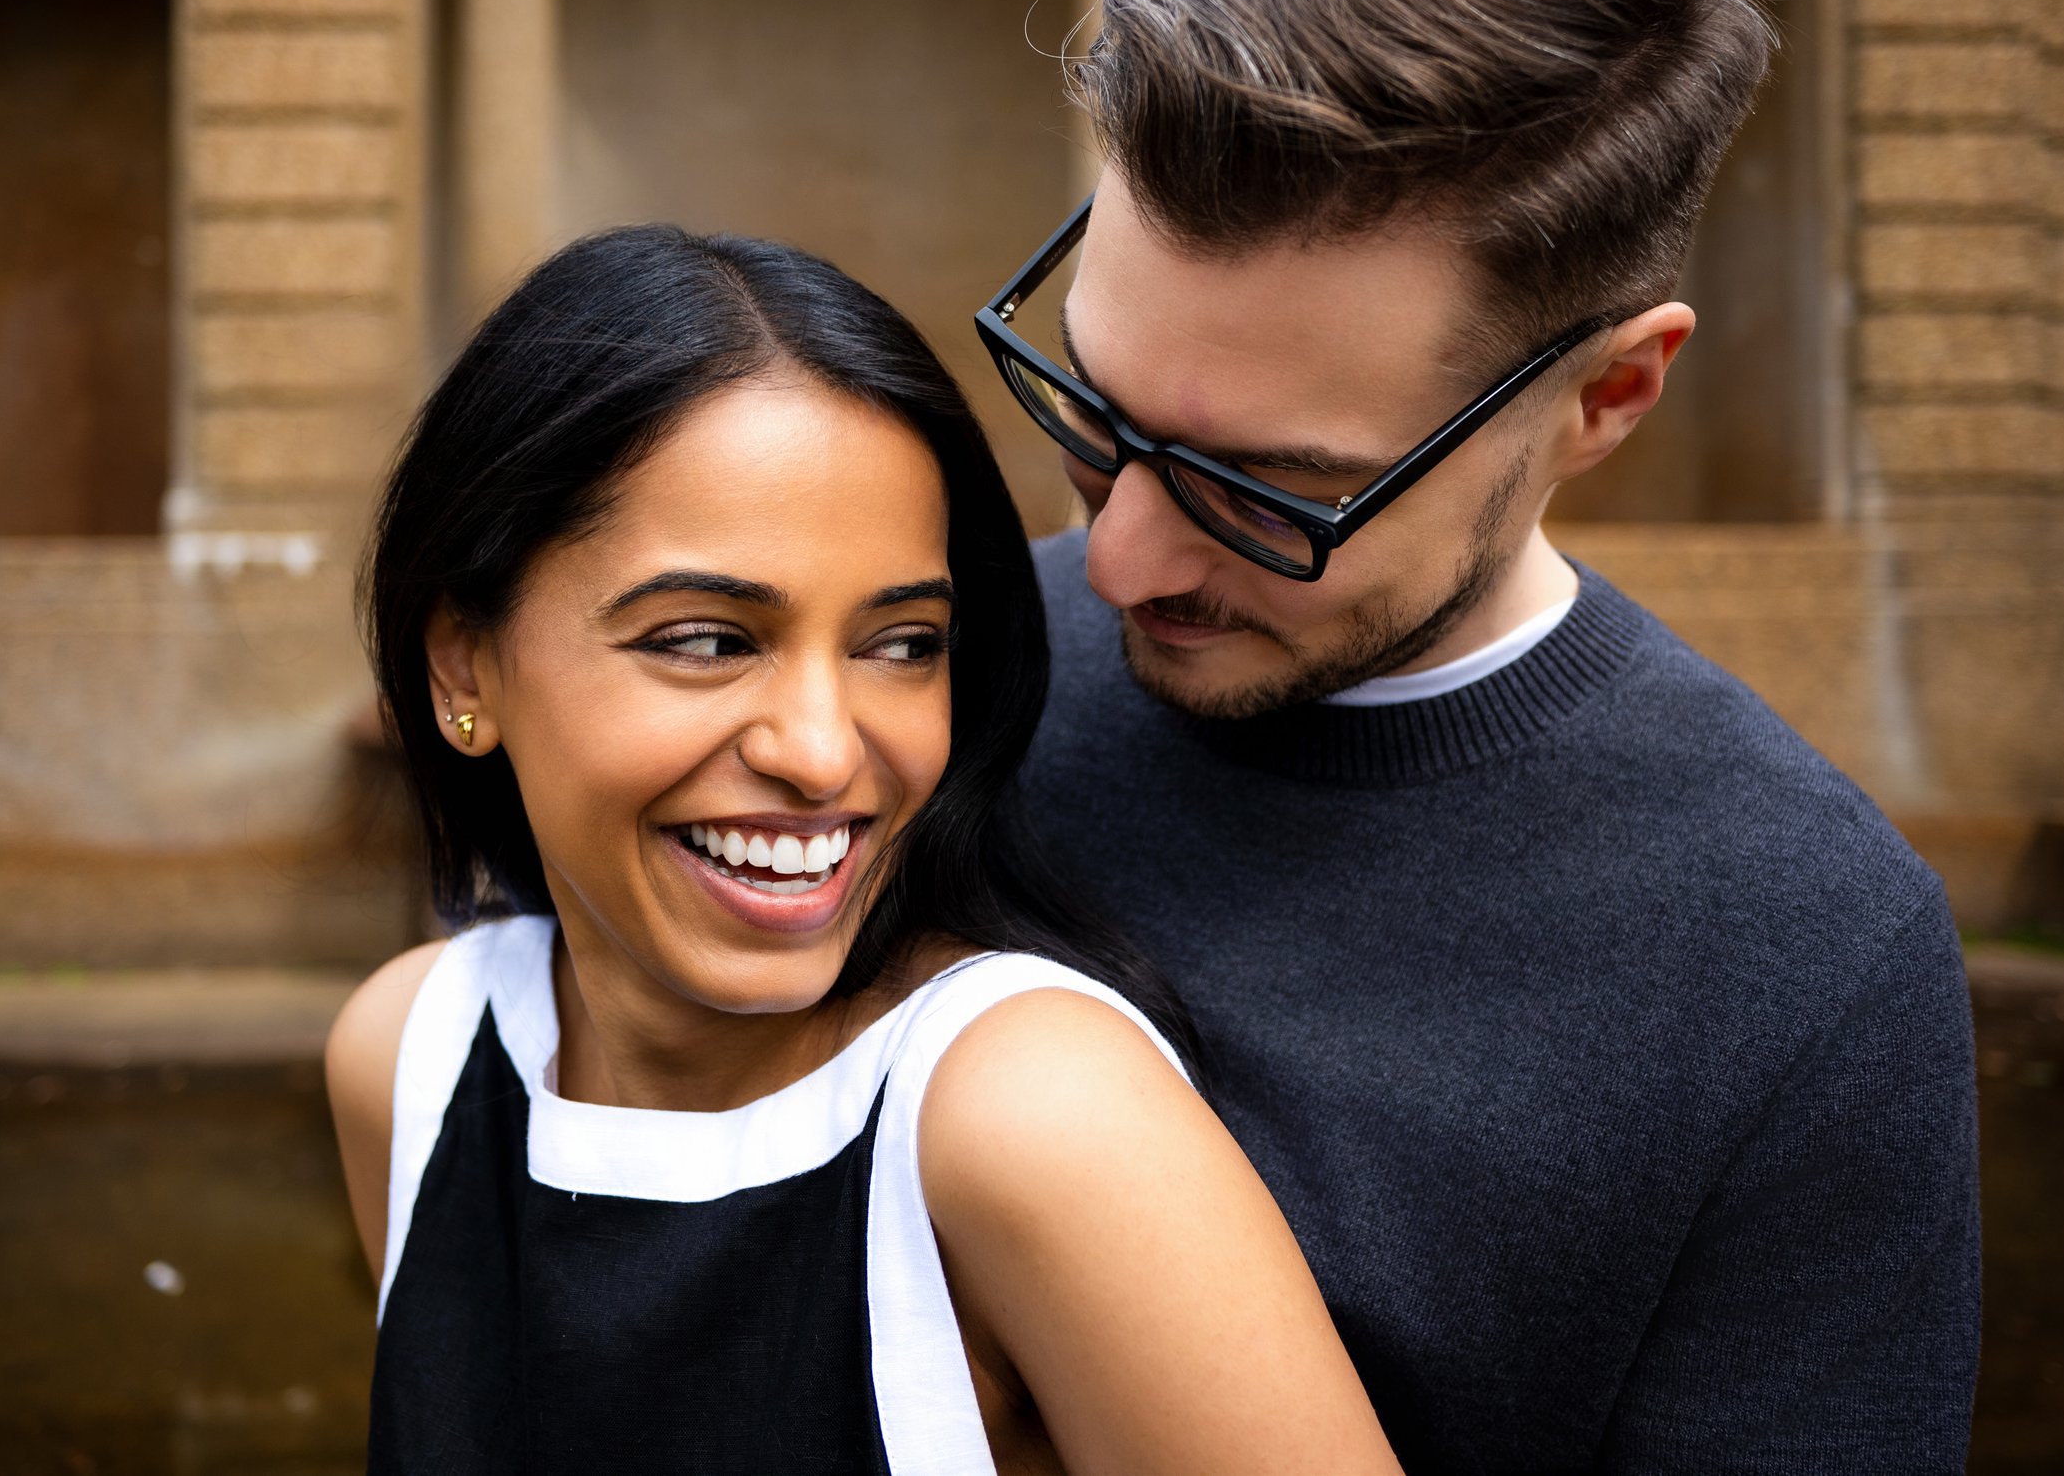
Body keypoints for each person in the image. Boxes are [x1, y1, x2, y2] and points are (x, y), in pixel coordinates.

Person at [988, 0, 1981, 1471]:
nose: (1114, 557)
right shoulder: (916, 683)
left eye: (1263, 489)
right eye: (1091, 404)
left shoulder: (1810, 957)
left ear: (1607, 395)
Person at [325, 225, 1402, 1475]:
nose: (825, 752)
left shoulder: (1029, 1117)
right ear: (465, 661)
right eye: (707, 638)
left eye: (901, 644)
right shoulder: (409, 1056)